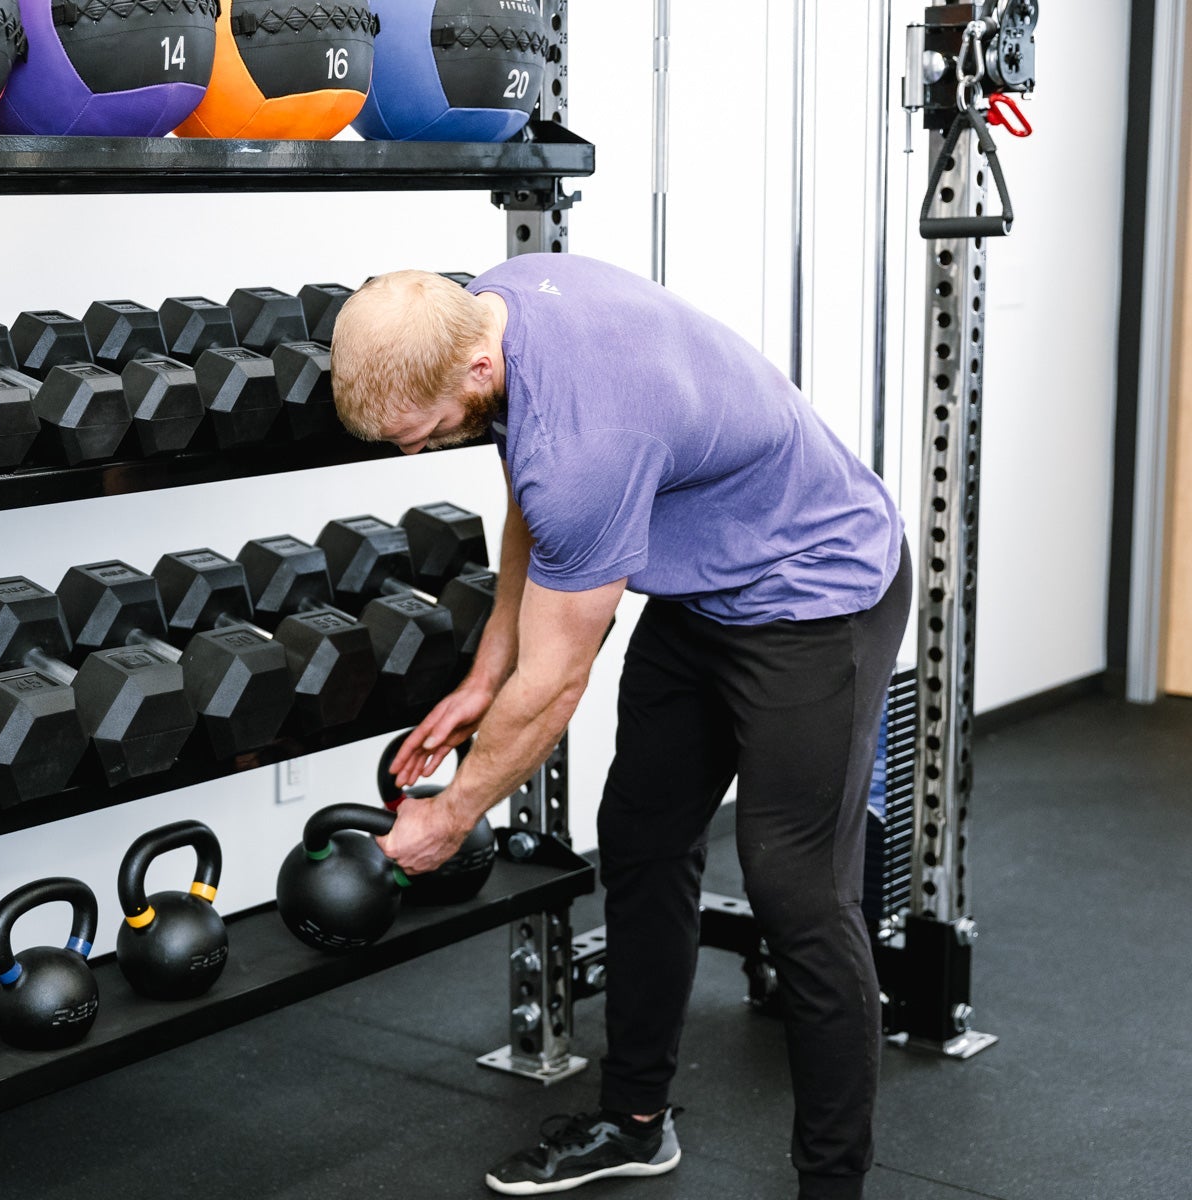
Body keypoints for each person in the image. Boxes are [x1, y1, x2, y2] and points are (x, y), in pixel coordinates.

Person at [330, 256, 910, 1200]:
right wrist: (485, 671)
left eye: (420, 434)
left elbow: (558, 684)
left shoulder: (586, 444)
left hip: (817, 594)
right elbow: (536, 490)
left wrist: (452, 815)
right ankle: (637, 1122)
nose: (415, 452)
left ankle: (833, 1185)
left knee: (797, 890)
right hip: (704, 589)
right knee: (640, 839)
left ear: (474, 372)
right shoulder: (494, 305)